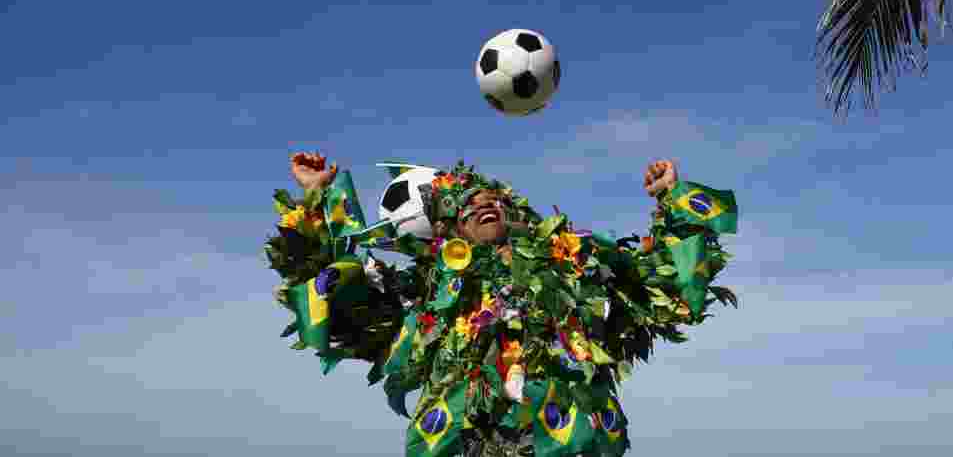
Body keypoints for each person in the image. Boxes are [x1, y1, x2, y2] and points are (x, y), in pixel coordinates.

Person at [272, 152, 739, 457]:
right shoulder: (429, 293)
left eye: (489, 198)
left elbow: (666, 288)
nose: (483, 204)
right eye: (468, 204)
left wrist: (668, 199)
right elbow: (337, 298)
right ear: (448, 230)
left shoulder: (575, 267)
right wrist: (319, 194)